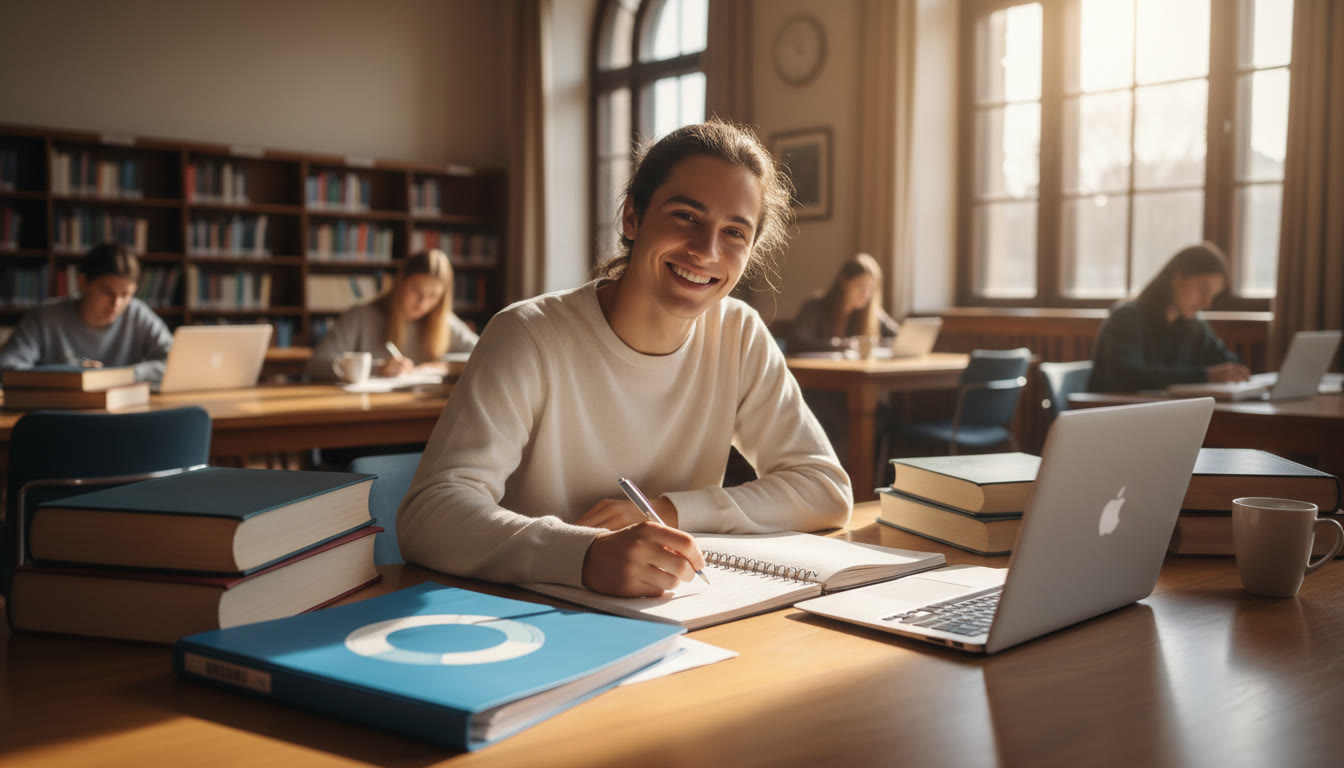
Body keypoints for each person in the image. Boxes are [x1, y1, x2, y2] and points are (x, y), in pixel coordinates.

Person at [398, 120, 852, 598]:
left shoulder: (738, 334)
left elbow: (824, 490)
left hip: (672, 613)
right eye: (685, 217)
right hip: (529, 616)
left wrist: (666, 511)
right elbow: (431, 514)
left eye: (735, 232)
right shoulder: (528, 334)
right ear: (632, 217)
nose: (706, 251)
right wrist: (582, 555)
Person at [1088, 242, 1251, 393]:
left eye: (1213, 295)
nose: (1207, 303)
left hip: (1158, 416)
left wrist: (1233, 371)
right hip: (1113, 415)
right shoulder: (1126, 317)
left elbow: (1226, 361)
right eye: (1202, 289)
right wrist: (1206, 376)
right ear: (1176, 277)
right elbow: (1126, 375)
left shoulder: (1193, 326)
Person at [0, 242, 172, 383]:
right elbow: (6, 367)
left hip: (121, 414)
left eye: (126, 294)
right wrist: (74, 376)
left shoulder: (137, 313)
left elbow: (175, 362)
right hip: (59, 413)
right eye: (107, 292)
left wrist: (124, 375)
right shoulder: (44, 317)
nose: (117, 303)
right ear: (83, 283)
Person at [306, 248, 478, 381]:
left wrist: (444, 367)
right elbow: (315, 365)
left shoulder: (443, 322)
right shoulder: (361, 316)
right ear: (400, 283)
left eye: (433, 296)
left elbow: (486, 355)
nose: (423, 303)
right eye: (416, 291)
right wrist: (378, 368)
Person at [787, 252, 900, 354]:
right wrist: (841, 344)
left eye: (870, 289)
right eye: (860, 286)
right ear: (844, 282)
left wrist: (873, 344)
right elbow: (797, 343)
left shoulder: (873, 314)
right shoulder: (815, 307)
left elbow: (900, 338)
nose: (865, 294)